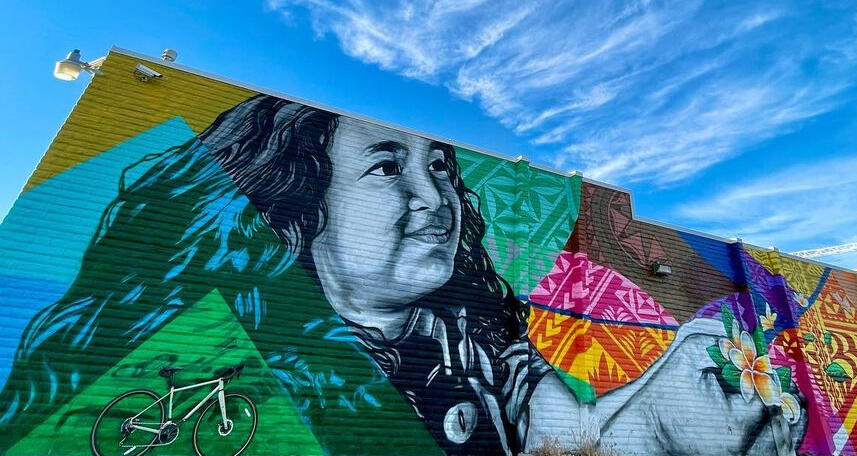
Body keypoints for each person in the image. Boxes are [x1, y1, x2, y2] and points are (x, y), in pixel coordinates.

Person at [0, 94, 804, 456]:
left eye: (443, 167)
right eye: (387, 167)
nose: (436, 197)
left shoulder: (474, 339)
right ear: (301, 199)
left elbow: (572, 440)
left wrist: (664, 405)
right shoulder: (213, 358)